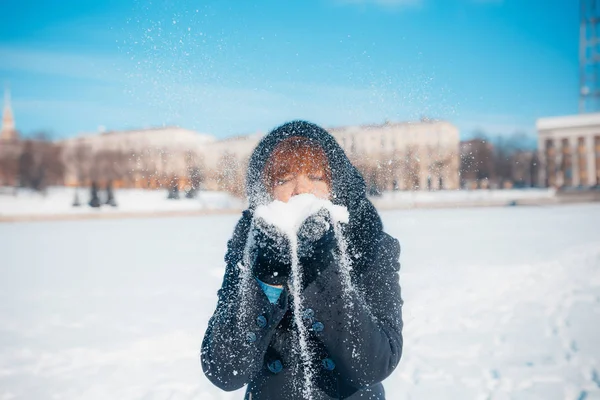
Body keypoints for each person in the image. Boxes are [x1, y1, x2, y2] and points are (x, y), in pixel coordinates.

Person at [201, 120, 403, 399]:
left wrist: (321, 272)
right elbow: (224, 371)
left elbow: (375, 364)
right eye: (283, 179)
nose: (301, 189)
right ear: (265, 191)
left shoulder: (369, 243)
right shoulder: (248, 249)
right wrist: (267, 281)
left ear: (336, 185)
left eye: (316, 177)